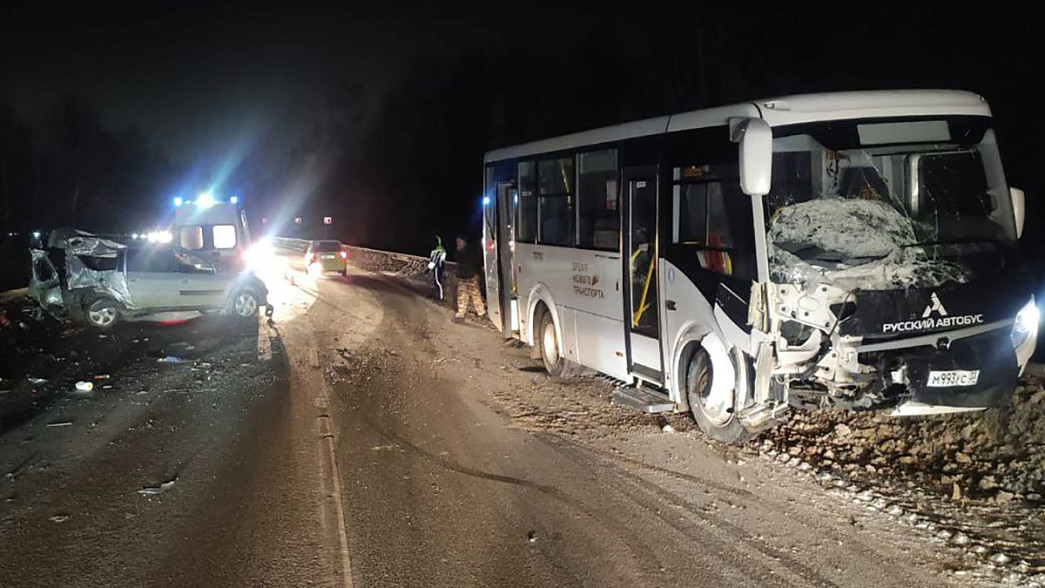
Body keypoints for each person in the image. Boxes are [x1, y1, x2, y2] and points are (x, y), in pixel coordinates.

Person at [453, 234, 486, 322]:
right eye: (457, 241)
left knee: (476, 295)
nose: (458, 243)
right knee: (461, 296)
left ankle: (481, 312)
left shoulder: (470, 251)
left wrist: (478, 273)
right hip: (462, 276)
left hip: (471, 276)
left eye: (460, 241)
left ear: (464, 242)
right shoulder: (459, 251)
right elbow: (458, 260)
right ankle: (461, 314)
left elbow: (477, 262)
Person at [425, 236, 447, 300]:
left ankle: (440, 296)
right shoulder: (439, 249)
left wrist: (428, 268)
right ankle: (435, 294)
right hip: (439, 266)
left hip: (437, 267)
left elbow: (434, 261)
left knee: (437, 281)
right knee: (436, 281)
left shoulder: (438, 250)